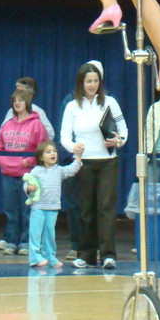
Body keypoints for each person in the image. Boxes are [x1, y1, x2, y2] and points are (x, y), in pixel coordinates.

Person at [59, 61, 128, 270]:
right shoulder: (72, 106)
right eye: (88, 81)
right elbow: (64, 135)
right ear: (81, 83)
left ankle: (108, 255)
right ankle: (86, 254)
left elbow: (123, 130)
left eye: (96, 81)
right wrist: (74, 148)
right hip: (84, 163)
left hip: (108, 162)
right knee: (86, 209)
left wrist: (119, 141)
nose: (92, 85)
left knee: (106, 209)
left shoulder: (110, 102)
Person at [0, 88, 49, 257]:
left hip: (28, 174)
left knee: (27, 210)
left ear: (27, 103)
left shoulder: (36, 124)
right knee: (11, 210)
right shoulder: (7, 124)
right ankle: (11, 241)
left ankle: (26, 242)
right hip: (8, 173)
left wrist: (29, 161)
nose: (17, 103)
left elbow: (43, 148)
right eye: (15, 101)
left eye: (21, 100)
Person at [24, 140, 84, 267]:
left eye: (54, 151)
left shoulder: (58, 170)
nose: (53, 154)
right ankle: (35, 257)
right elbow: (28, 183)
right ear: (41, 157)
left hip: (52, 208)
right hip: (38, 208)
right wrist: (28, 188)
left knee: (49, 233)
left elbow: (71, 170)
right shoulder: (36, 171)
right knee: (36, 233)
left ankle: (50, 256)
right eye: (48, 152)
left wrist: (78, 157)